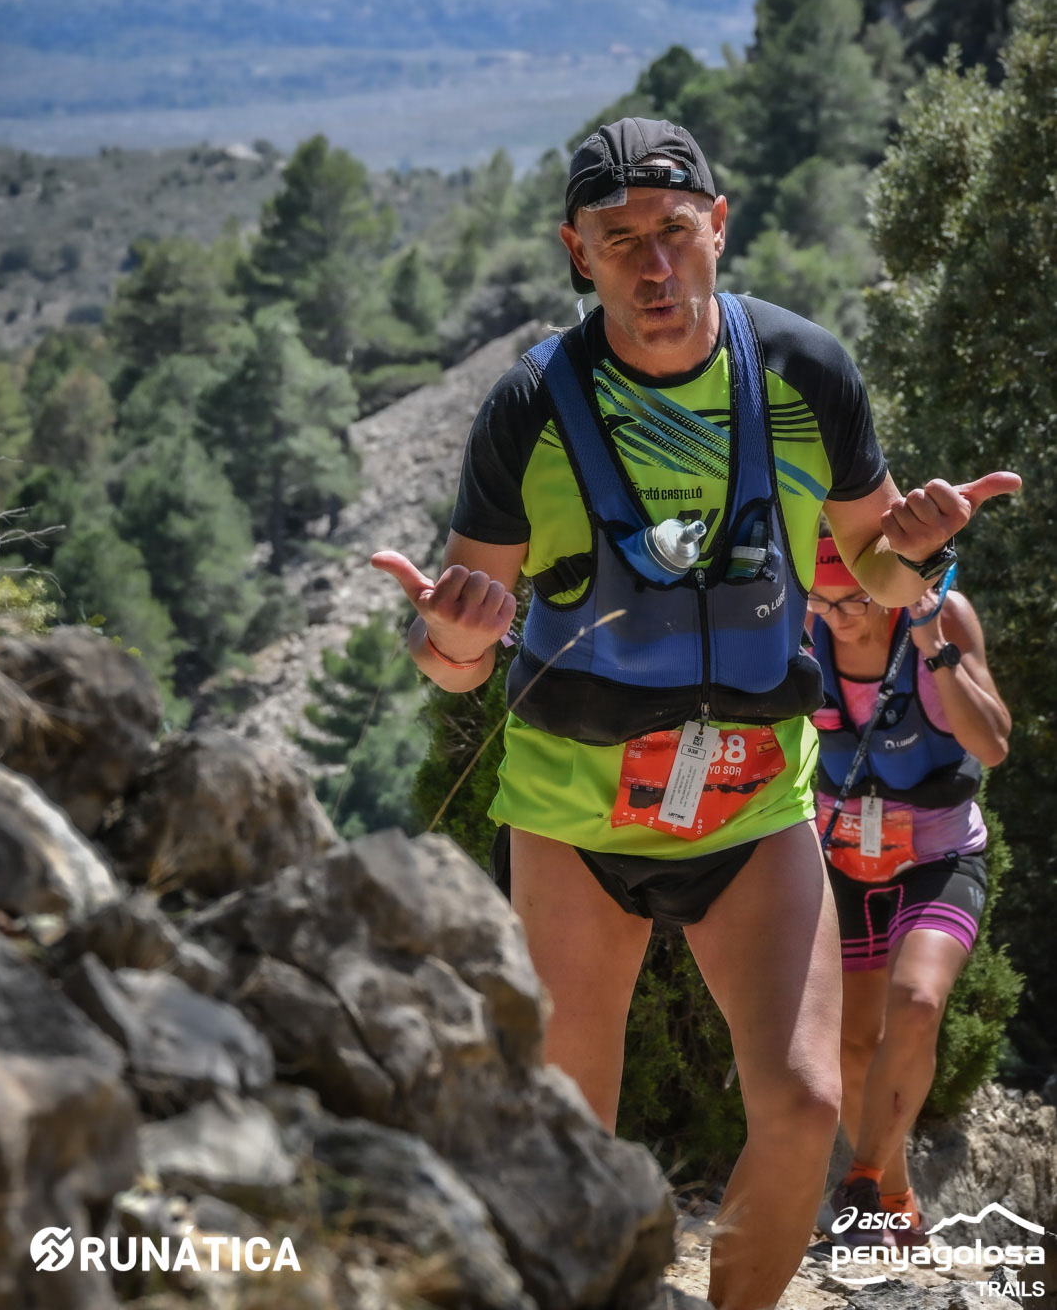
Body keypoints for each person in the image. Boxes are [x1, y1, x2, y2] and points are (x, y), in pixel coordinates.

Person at [372, 117, 1020, 1310]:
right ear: (577, 251)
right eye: (619, 240)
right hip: (573, 817)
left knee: (806, 1105)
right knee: (575, 1132)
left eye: (674, 230)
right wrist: (453, 635)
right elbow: (453, 659)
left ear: (717, 225)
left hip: (757, 805)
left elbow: (873, 571)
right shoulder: (530, 405)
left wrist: (919, 552)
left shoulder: (803, 371)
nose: (653, 264)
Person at [808, 534, 1011, 1248]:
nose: (839, 618)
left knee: (918, 1002)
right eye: (822, 601)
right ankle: (891, 1200)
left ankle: (861, 1177)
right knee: (852, 1042)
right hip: (841, 854)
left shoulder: (942, 616)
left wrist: (934, 649)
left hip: (938, 852)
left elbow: (992, 745)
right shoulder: (801, 626)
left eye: (854, 601)